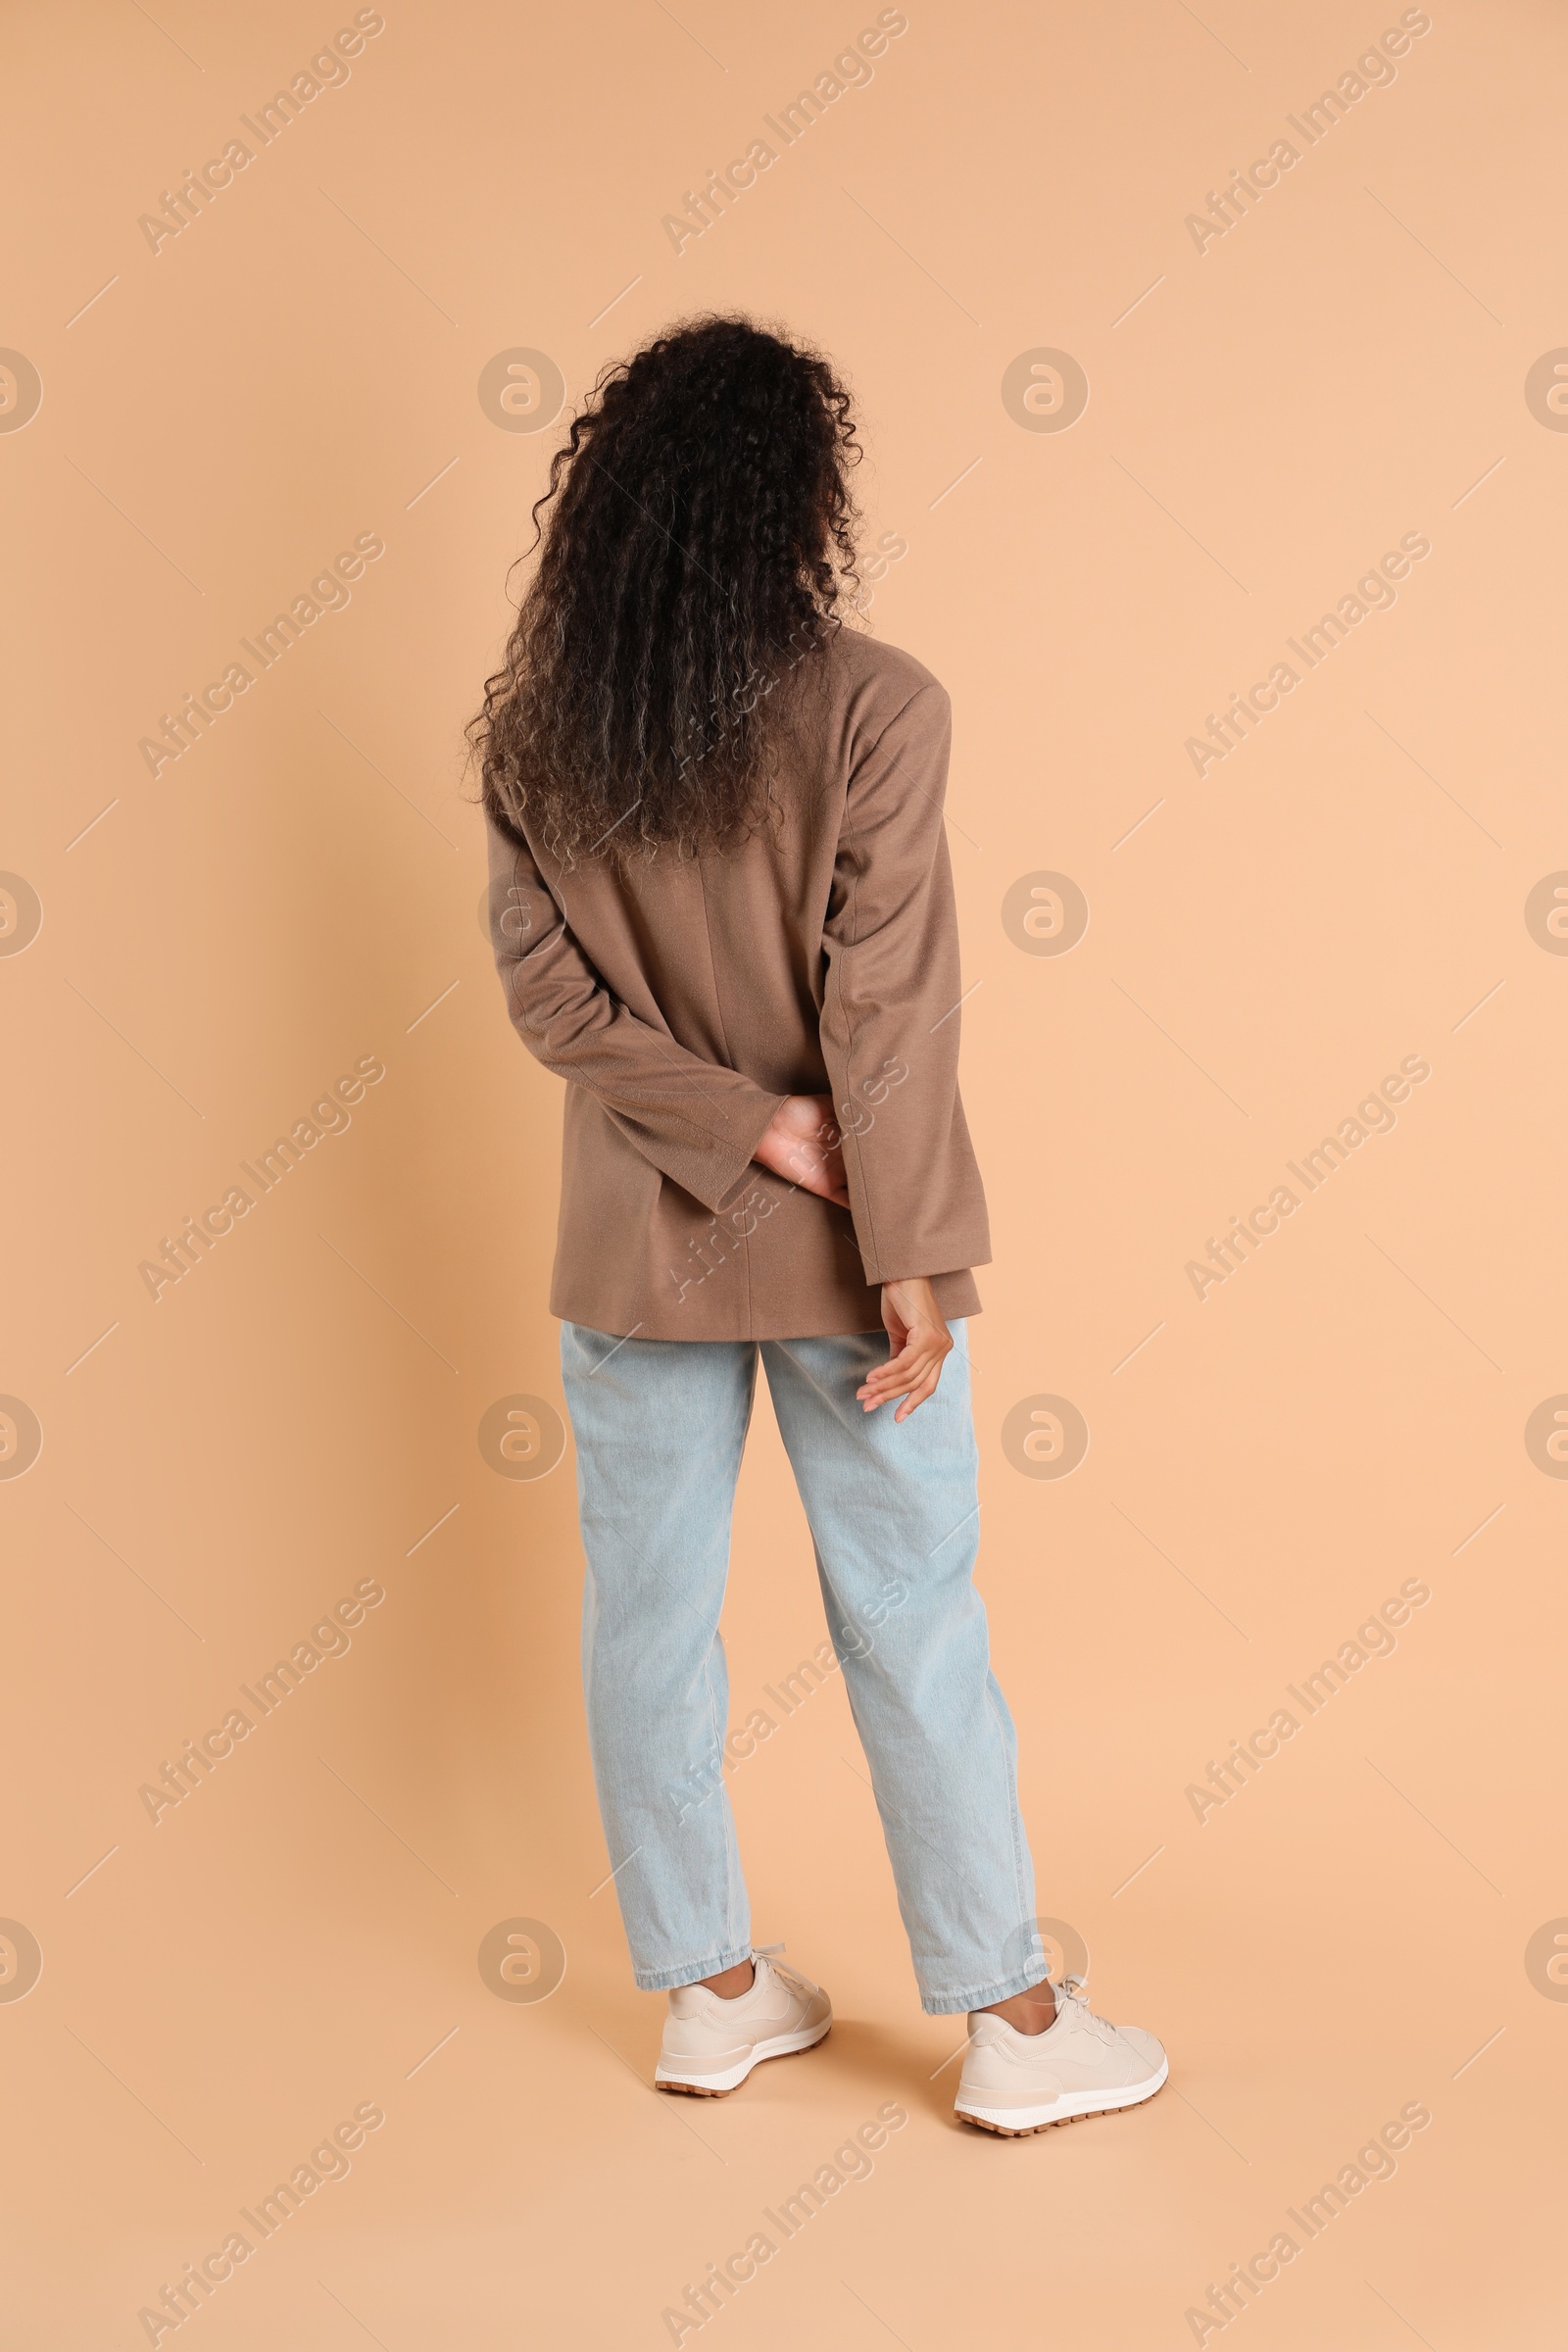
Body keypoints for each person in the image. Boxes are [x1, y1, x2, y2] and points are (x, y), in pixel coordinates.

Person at [471, 315, 1165, 2134]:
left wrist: (722, 1125)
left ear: (614, 508)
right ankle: (1015, 2029)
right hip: (852, 1258)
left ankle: (708, 1996)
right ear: (801, 499)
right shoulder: (877, 704)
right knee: (912, 1619)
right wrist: (909, 1250)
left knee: (648, 1624)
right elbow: (891, 1007)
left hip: (631, 1255)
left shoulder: (544, 731)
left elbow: (551, 1003)